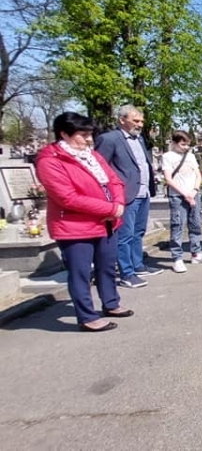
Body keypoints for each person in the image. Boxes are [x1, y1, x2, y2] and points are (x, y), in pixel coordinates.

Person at [35, 112, 132, 332]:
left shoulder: (92, 156)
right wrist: (110, 208)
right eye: (83, 135)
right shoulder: (50, 161)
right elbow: (67, 198)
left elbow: (114, 181)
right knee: (80, 273)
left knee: (107, 266)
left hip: (107, 223)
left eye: (90, 134)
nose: (89, 139)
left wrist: (118, 204)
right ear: (64, 134)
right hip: (75, 227)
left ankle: (111, 303)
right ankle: (87, 317)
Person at [94, 104, 162, 288]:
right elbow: (99, 168)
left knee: (138, 232)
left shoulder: (139, 139)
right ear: (122, 120)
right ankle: (126, 273)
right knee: (125, 235)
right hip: (125, 195)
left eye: (141, 121)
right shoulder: (109, 139)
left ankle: (138, 265)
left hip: (143, 192)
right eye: (135, 121)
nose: (140, 124)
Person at [161, 130, 202, 272]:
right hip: (178, 196)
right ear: (174, 143)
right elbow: (168, 179)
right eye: (182, 144)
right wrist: (185, 194)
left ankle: (196, 253)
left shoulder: (190, 156)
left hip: (193, 194)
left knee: (196, 224)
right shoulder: (167, 157)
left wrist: (194, 191)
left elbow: (198, 175)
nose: (185, 147)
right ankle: (177, 258)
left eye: (188, 145)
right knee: (178, 226)